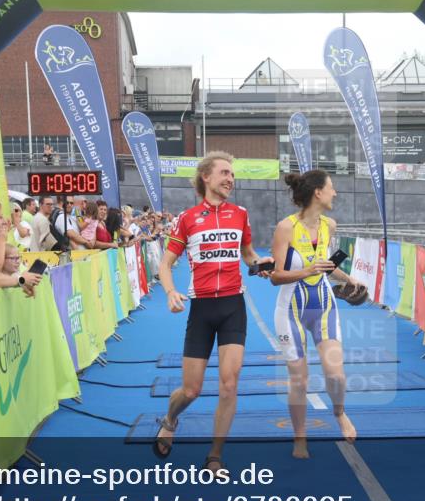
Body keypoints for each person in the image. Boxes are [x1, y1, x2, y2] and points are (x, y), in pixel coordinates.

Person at [153, 152, 273, 474]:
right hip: (202, 308)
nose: (230, 179)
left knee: (229, 385)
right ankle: (170, 418)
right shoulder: (188, 218)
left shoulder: (241, 214)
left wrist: (259, 266)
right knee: (191, 390)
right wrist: (169, 292)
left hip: (233, 306)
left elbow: (248, 254)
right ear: (206, 177)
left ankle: (215, 455)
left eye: (232, 175)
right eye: (224, 173)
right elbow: (165, 264)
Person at [270, 170, 363, 458]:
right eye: (331, 188)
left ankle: (339, 413)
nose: (335, 193)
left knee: (336, 374)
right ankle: (300, 438)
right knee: (299, 380)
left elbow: (326, 265)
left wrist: (350, 280)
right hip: (290, 311)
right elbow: (275, 276)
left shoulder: (330, 226)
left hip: (323, 306)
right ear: (318, 193)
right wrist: (306, 271)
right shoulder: (285, 228)